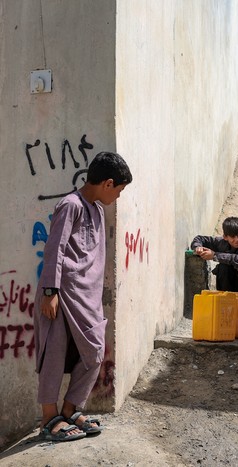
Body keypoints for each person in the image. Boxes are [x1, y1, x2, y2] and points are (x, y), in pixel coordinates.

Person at [35, 151, 132, 441]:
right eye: (120, 189)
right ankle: (50, 418)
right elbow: (56, 248)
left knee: (94, 351)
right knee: (53, 353)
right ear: (108, 183)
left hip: (86, 298)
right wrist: (51, 291)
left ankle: (70, 409)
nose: (119, 195)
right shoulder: (70, 205)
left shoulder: (97, 210)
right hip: (61, 295)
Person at [190, 216, 238, 293]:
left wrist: (215, 256)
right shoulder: (221, 243)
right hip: (229, 287)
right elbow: (200, 239)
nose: (237, 240)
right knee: (224, 267)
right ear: (225, 237)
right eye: (232, 237)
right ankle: (225, 298)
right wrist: (198, 247)